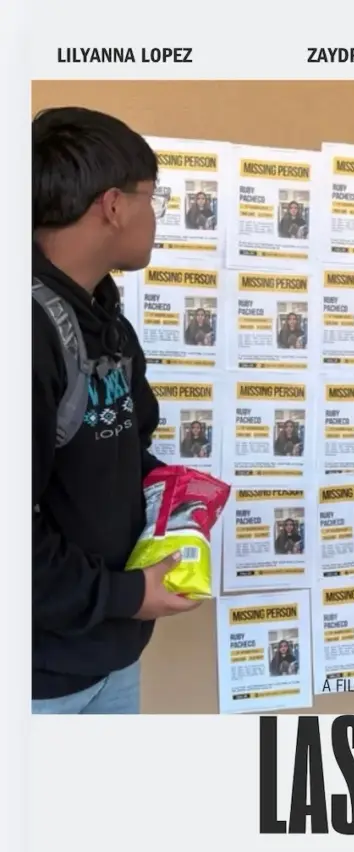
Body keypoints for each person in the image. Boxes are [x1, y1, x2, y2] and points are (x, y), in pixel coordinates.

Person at [32, 107, 200, 714]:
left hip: (111, 655)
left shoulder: (106, 320)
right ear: (112, 206)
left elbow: (127, 446)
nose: (155, 217)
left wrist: (177, 498)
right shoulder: (27, 334)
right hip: (38, 678)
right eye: (152, 199)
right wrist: (129, 595)